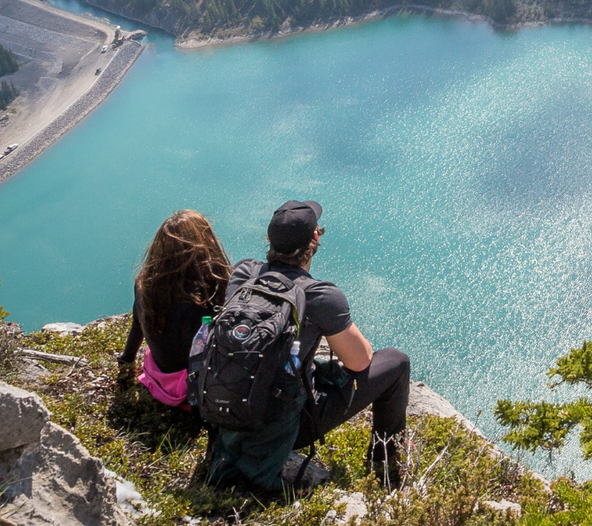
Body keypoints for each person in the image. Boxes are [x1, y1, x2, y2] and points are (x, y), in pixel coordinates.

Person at [206, 199, 412, 492]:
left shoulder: (244, 274)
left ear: (270, 239)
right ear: (315, 238)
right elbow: (360, 362)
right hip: (284, 426)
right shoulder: (320, 295)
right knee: (396, 362)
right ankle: (385, 466)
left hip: (227, 410)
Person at [118, 210, 231, 408]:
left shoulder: (145, 283)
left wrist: (126, 361)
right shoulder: (205, 293)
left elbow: (138, 323)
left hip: (160, 379)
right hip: (193, 388)